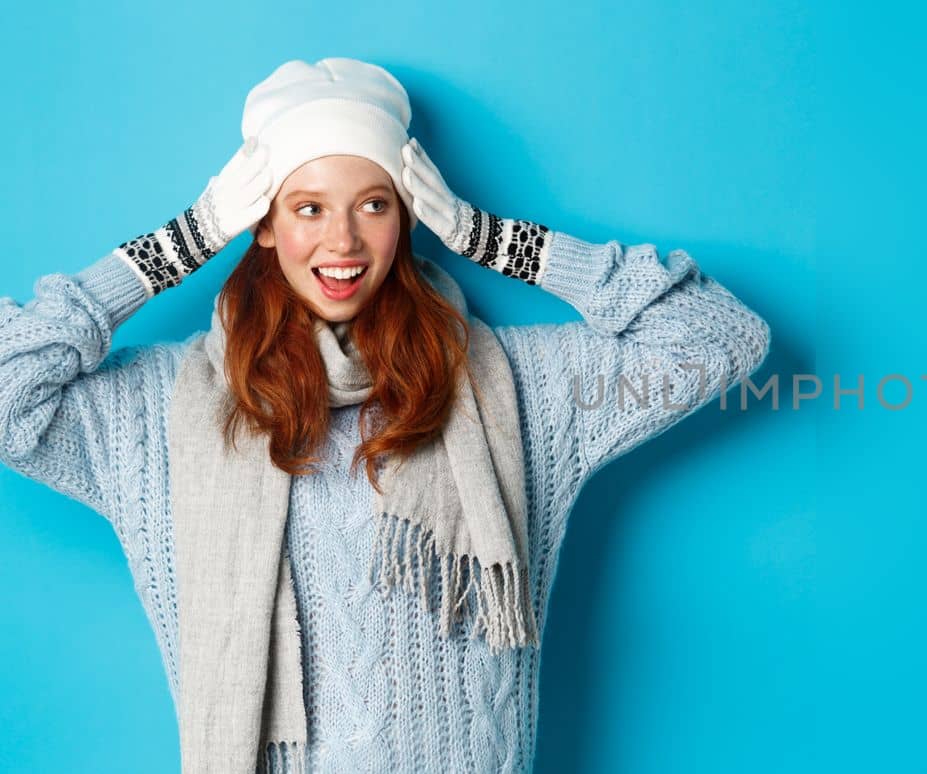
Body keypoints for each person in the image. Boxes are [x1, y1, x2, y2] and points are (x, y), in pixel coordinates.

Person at [0, 57, 769, 773]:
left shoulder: (516, 388)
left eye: (374, 205)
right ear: (261, 225)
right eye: (307, 208)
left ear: (407, 219)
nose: (343, 241)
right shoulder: (163, 412)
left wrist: (498, 242)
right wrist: (176, 246)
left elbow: (717, 337)